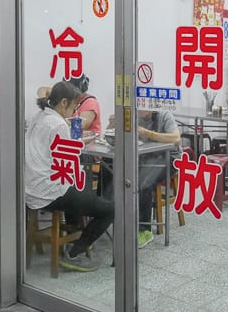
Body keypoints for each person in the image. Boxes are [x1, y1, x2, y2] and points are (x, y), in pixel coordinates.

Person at [24, 81, 114, 272]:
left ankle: (73, 230)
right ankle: (75, 253)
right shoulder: (57, 124)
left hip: (29, 187)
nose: (74, 113)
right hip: (48, 192)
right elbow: (68, 159)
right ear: (64, 102)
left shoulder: (37, 116)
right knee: (109, 208)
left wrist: (79, 141)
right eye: (74, 107)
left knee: (78, 191)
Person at [107, 109, 181, 248]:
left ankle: (145, 230)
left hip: (169, 158)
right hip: (145, 157)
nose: (140, 108)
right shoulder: (133, 115)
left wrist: (147, 133)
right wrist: (112, 123)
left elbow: (176, 139)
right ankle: (108, 218)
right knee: (112, 172)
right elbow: (112, 135)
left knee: (142, 182)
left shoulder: (164, 115)